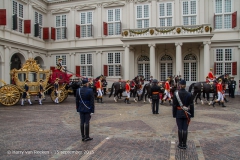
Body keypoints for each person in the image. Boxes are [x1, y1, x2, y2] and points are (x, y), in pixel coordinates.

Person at [172, 79, 194, 149]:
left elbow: (174, 105)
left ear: (180, 85)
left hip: (178, 112)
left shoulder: (176, 94)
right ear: (185, 86)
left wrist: (174, 114)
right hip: (187, 113)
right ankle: (184, 144)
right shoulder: (189, 94)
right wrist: (192, 114)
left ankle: (180, 144)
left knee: (179, 128)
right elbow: (191, 105)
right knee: (185, 129)